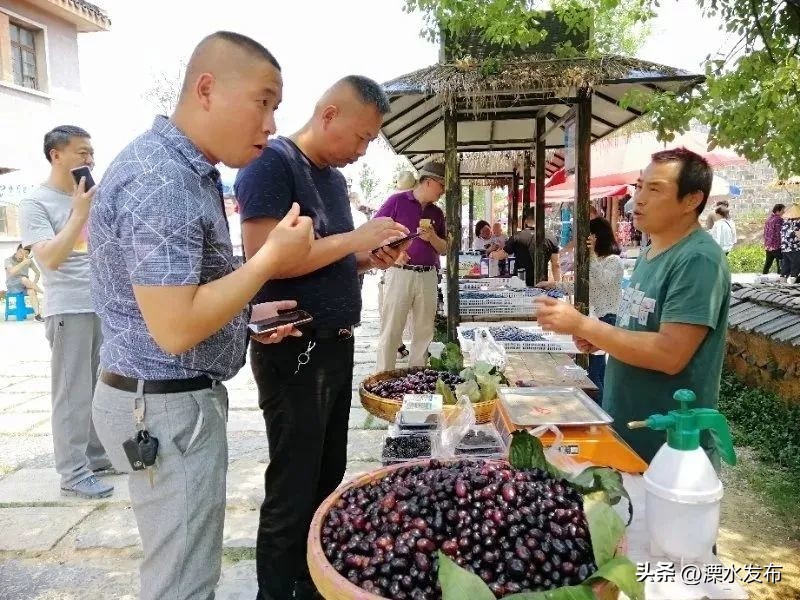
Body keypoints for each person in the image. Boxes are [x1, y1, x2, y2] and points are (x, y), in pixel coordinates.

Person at [88, 32, 315, 600]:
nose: (270, 124)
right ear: (207, 89)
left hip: (160, 397)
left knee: (181, 566)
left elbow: (173, 301)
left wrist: (247, 312)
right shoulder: (162, 179)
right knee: (181, 582)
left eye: (276, 108)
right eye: (263, 101)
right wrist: (267, 261)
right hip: (163, 406)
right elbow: (175, 327)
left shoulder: (183, 168)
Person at [234, 75, 407, 600]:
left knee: (327, 469)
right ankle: (275, 588)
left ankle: (305, 576)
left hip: (335, 342)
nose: (361, 151)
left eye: (370, 142)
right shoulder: (272, 165)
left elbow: (326, 254)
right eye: (359, 138)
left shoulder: (331, 179)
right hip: (292, 347)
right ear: (329, 114)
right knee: (293, 479)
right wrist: (356, 239)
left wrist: (363, 257)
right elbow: (269, 257)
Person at [535, 148, 731, 466]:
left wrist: (585, 325)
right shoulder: (650, 251)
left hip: (668, 448)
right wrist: (603, 339)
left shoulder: (698, 259)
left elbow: (670, 354)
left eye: (655, 189)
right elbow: (640, 330)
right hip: (629, 430)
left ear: (692, 199)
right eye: (640, 186)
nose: (638, 199)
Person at [19, 125, 114, 500]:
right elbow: (51, 260)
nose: (89, 159)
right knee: (72, 393)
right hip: (68, 308)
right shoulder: (35, 203)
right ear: (56, 155)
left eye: (91, 152)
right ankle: (73, 473)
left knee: (99, 389)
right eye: (81, 152)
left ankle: (95, 456)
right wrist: (78, 213)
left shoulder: (92, 195)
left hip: (102, 304)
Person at [536, 217, 623, 405]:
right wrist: (552, 285)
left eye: (589, 235)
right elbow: (580, 286)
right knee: (596, 370)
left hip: (606, 318)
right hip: (594, 317)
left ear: (598, 236)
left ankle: (600, 409)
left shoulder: (613, 260)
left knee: (594, 372)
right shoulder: (595, 260)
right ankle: (602, 406)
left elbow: (604, 281)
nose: (584, 240)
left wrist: (589, 255)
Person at [375, 161, 447, 372]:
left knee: (424, 333)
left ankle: (417, 381)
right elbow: (373, 232)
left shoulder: (437, 213)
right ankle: (383, 379)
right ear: (429, 182)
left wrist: (432, 237)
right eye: (442, 186)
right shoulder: (396, 201)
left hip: (427, 276)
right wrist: (394, 255)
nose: (443, 191)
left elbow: (444, 249)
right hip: (399, 274)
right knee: (391, 331)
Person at [490, 208, 560, 286]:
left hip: (520, 283)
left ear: (526, 220)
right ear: (542, 220)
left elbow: (501, 255)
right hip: (541, 284)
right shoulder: (551, 238)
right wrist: (558, 284)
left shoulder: (517, 237)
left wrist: (492, 254)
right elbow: (556, 264)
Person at [4, 244, 43, 321]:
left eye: (25, 253)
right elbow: (11, 271)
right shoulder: (8, 260)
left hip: (25, 285)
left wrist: (33, 284)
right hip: (13, 285)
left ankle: (37, 315)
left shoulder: (28, 260)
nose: (22, 255)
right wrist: (24, 263)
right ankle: (44, 292)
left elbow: (38, 273)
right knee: (24, 279)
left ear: (28, 254)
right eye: (20, 252)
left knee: (31, 291)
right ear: (17, 251)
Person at [779, 203, 800, 284]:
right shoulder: (798, 222)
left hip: (784, 248)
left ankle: (782, 285)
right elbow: (799, 235)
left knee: (785, 267)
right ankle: (791, 285)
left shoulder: (786, 222)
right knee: (796, 267)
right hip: (794, 248)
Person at [763, 203, 785, 275]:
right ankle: (781, 278)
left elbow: (765, 232)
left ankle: (763, 276)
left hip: (768, 245)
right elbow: (780, 233)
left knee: (768, 263)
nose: (784, 212)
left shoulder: (769, 219)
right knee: (781, 262)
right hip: (776, 245)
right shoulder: (779, 220)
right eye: (783, 210)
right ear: (777, 211)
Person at [225, 195, 245, 267]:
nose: (226, 205)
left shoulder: (240, 219)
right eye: (224, 203)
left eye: (228, 203)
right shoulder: (219, 220)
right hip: (224, 256)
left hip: (238, 255)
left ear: (235, 205)